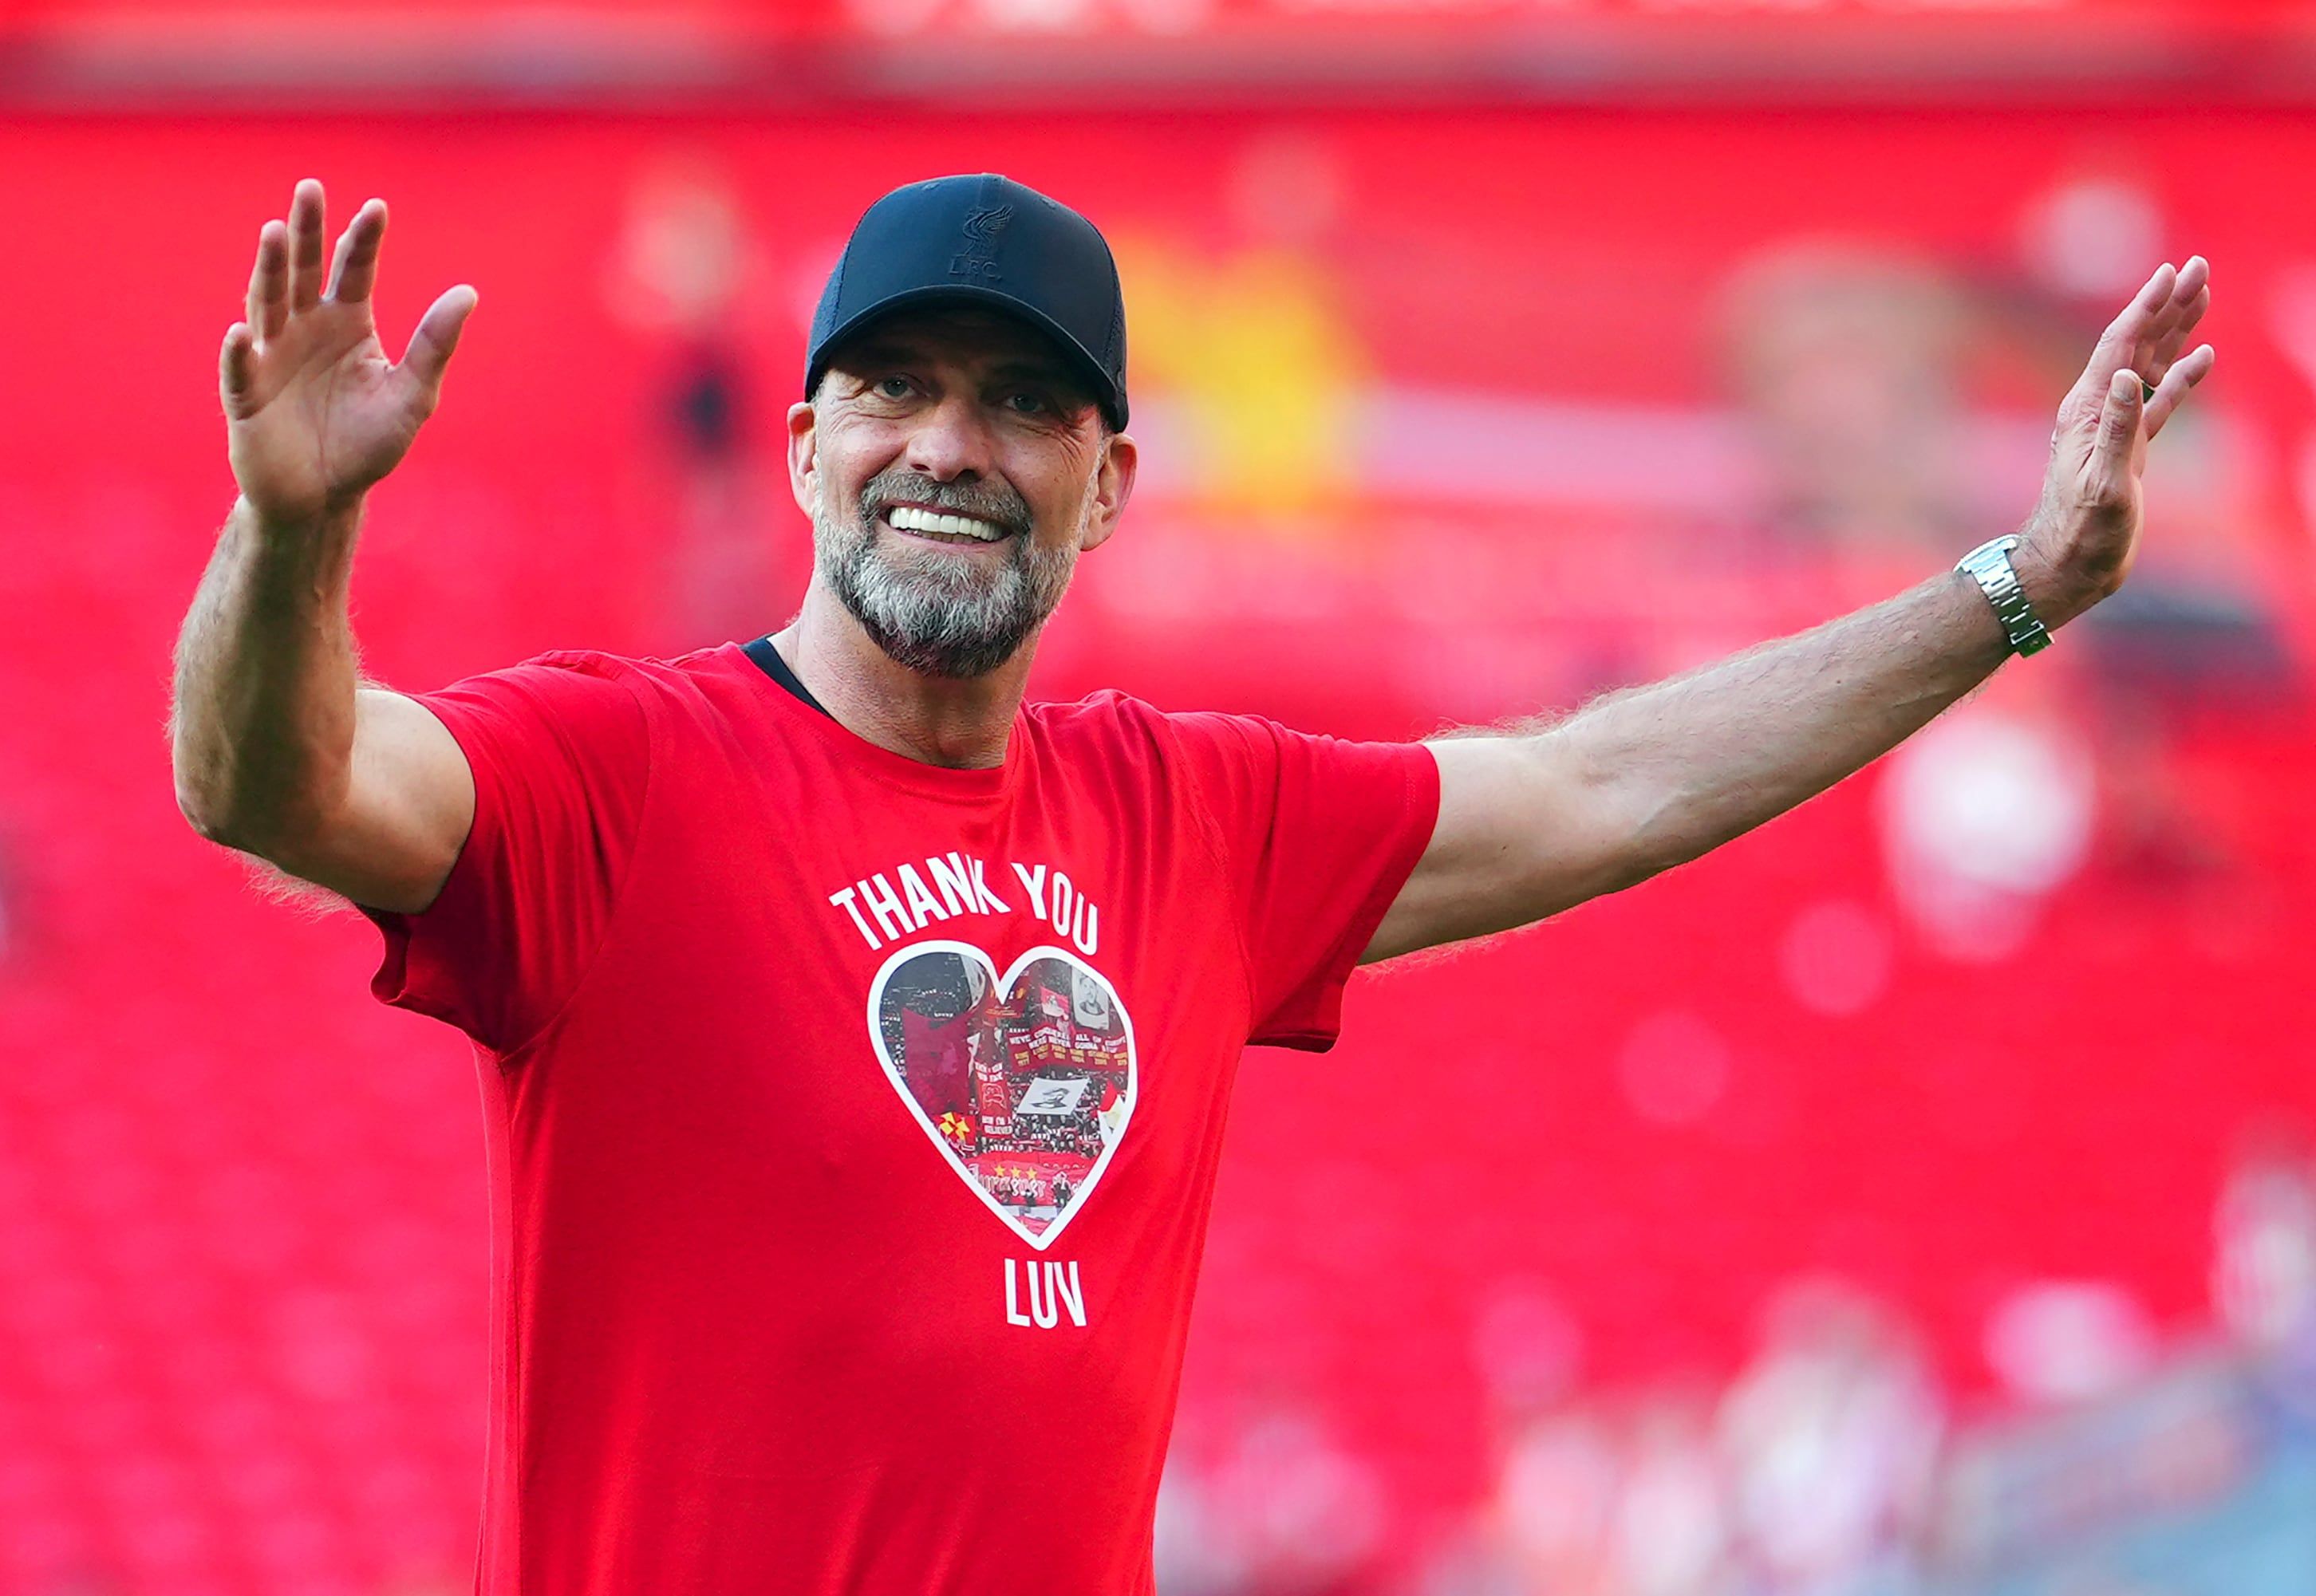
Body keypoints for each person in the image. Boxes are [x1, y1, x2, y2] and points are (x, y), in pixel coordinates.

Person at [167, 173, 2212, 1594]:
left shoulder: (1187, 815)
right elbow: (284, 779)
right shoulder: (619, 772)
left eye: (1028, 400)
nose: (953, 446)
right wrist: (286, 537)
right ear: (804, 444)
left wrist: (2013, 585)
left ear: (1112, 480)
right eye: (900, 388)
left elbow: (1597, 781)